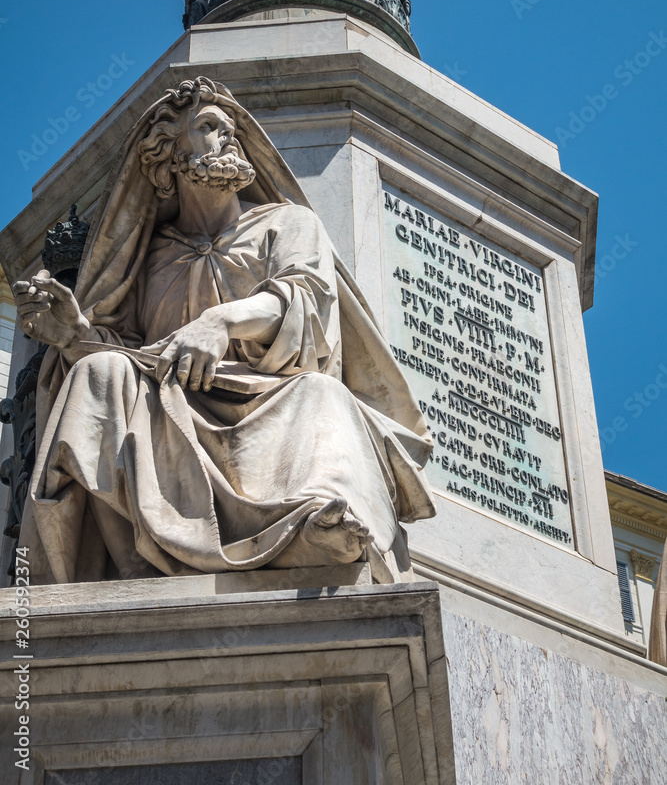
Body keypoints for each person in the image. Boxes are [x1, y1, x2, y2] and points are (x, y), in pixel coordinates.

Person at [15, 77, 435, 584]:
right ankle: (127, 571)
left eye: (231, 129)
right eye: (210, 127)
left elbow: (305, 299)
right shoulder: (149, 259)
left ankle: (316, 519)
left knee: (321, 395)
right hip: (170, 404)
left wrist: (221, 321)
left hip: (269, 394)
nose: (230, 138)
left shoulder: (287, 223)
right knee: (98, 373)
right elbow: (132, 356)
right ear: (168, 156)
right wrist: (74, 336)